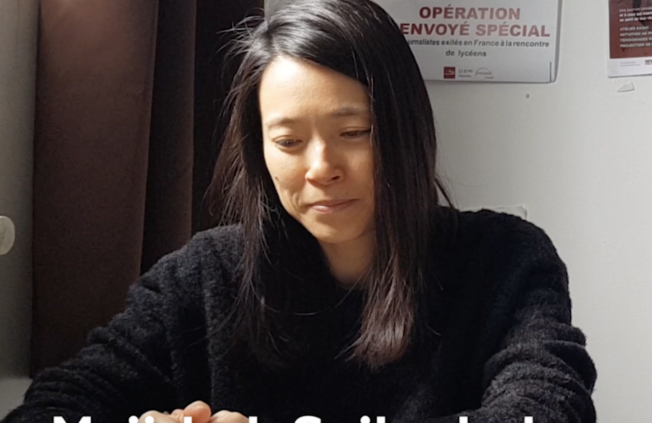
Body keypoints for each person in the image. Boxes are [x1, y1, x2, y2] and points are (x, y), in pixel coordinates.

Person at [2, 0, 596, 422]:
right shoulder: (205, 275)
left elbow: (547, 408)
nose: (321, 167)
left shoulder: (504, 260)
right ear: (260, 151)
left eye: (355, 132)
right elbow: (59, 403)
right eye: (288, 141)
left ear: (408, 131)